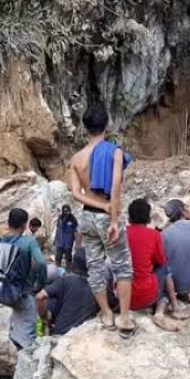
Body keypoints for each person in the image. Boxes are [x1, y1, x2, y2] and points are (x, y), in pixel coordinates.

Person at [69, 103, 135, 338]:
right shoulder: (114, 151)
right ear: (106, 126)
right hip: (108, 215)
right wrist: (113, 216)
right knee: (122, 265)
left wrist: (96, 205)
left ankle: (107, 314)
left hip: (86, 215)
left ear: (85, 129)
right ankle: (124, 318)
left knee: (94, 266)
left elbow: (76, 193)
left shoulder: (77, 158)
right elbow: (115, 185)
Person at [0, 208, 48, 350]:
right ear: (24, 225)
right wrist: (40, 284)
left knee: (17, 313)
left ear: (8, 223)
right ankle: (24, 350)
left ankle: (10, 330)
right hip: (19, 294)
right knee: (29, 325)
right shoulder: (28, 242)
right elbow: (41, 263)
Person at [127, 198, 187, 332]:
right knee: (165, 269)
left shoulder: (122, 234)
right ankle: (165, 310)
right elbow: (160, 261)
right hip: (146, 296)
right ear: (148, 218)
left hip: (122, 296)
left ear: (129, 217)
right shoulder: (153, 235)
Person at [35, 246, 98, 336]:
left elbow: (39, 297)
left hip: (60, 333)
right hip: (83, 334)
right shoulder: (98, 289)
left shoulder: (64, 282)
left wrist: (44, 318)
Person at [54, 205, 78, 270]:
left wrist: (77, 242)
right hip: (59, 241)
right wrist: (55, 240)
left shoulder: (73, 219)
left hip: (68, 242)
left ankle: (68, 269)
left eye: (68, 211)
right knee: (58, 256)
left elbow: (76, 230)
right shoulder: (60, 218)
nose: (66, 212)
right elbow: (58, 229)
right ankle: (57, 269)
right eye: (64, 211)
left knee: (68, 256)